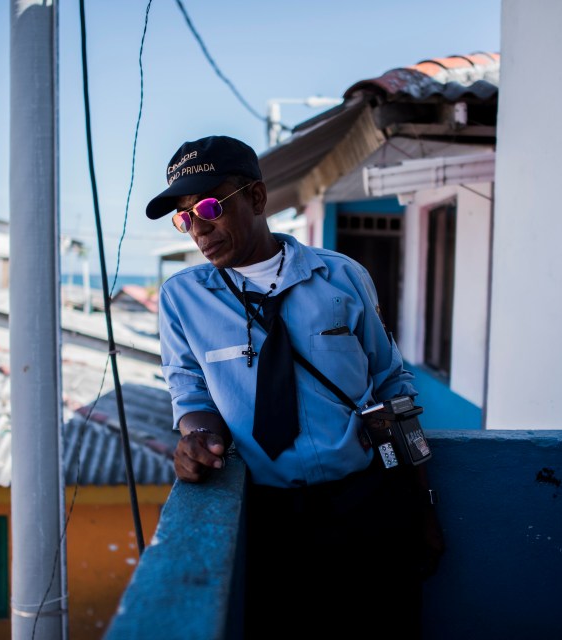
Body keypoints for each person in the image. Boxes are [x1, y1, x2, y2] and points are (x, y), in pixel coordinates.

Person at [146, 135, 444, 637]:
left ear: (257, 199)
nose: (197, 228)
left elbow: (393, 386)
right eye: (183, 216)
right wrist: (196, 438)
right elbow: (192, 395)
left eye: (209, 206)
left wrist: (422, 506)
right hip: (271, 519)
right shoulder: (182, 300)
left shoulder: (342, 277)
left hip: (368, 502)